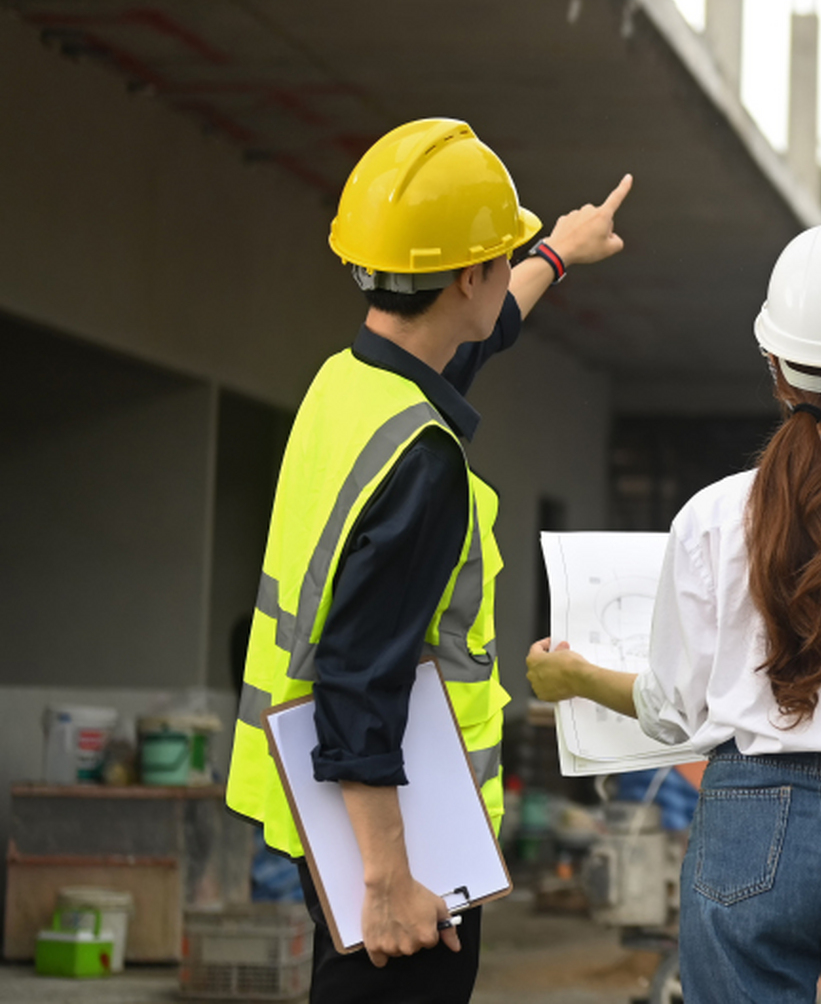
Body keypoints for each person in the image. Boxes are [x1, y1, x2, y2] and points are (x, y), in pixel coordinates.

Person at [526, 219, 821, 1003]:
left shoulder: (713, 516)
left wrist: (575, 676)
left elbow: (674, 711)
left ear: (774, 368)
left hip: (748, 820)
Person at [225, 119, 631, 1001]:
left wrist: (557, 253)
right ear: (465, 276)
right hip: (402, 839)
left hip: (321, 811)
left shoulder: (352, 384)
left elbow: (477, 334)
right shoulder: (422, 459)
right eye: (499, 256)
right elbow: (357, 677)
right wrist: (389, 884)